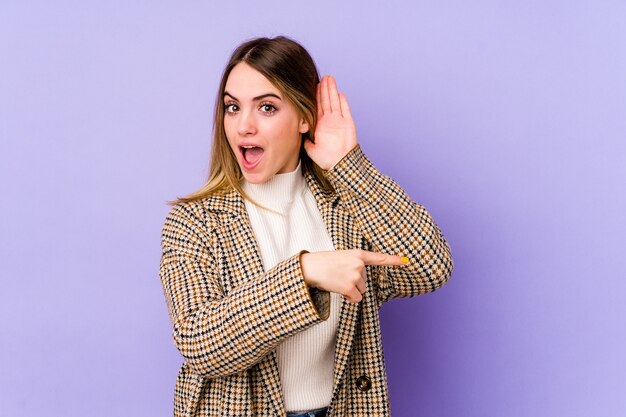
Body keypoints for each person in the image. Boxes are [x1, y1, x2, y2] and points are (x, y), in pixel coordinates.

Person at [159, 36, 453, 417]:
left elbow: (430, 268)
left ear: (303, 117)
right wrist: (304, 272)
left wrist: (349, 166)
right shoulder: (194, 221)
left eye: (266, 107)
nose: (243, 125)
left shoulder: (345, 209)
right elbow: (200, 344)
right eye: (232, 107)